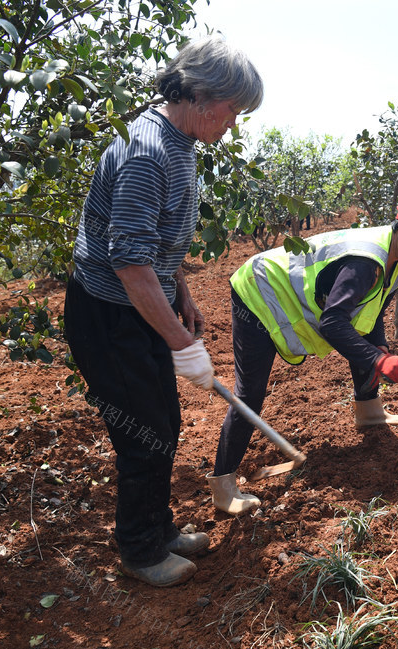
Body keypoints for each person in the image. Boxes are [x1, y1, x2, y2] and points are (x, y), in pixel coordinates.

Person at [63, 37, 263, 587]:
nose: (233, 123)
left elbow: (155, 243)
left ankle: (158, 527)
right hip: (109, 314)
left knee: (162, 423)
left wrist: (183, 294)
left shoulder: (181, 142)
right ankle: (141, 550)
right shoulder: (149, 152)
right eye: (232, 110)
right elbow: (129, 262)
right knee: (144, 433)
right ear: (199, 95)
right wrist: (181, 342)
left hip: (141, 305)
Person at [209, 193, 398, 515]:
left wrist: (380, 348)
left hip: (285, 290)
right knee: (250, 392)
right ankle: (223, 487)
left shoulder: (396, 261)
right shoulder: (365, 264)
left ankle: (369, 412)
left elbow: (371, 313)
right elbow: (332, 323)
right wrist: (378, 360)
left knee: (367, 344)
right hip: (260, 291)